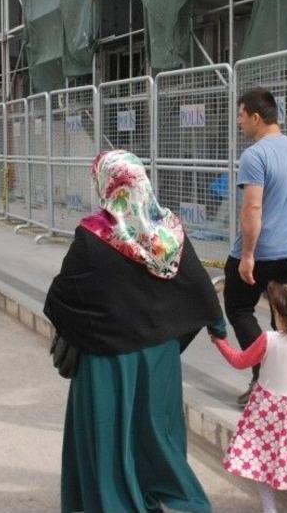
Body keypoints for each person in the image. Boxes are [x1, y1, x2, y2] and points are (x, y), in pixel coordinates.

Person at [44, 150, 226, 513]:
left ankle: (114, 501)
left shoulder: (93, 234)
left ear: (107, 183)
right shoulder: (169, 230)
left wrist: (78, 329)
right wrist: (214, 323)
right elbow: (196, 284)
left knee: (110, 435)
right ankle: (165, 496)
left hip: (106, 360)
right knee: (156, 433)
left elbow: (63, 296)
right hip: (160, 358)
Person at [211, 280, 287, 513]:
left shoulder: (269, 340)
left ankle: (270, 510)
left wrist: (220, 342)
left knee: (261, 461)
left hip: (265, 409)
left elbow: (239, 361)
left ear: (283, 315)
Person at [225, 87, 287, 406]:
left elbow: (253, 208)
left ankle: (264, 379)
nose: (239, 122)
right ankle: (285, 387)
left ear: (256, 118)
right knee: (285, 320)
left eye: (241, 116)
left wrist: (247, 255)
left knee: (238, 307)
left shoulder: (255, 155)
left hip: (262, 251)